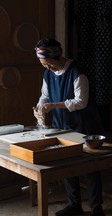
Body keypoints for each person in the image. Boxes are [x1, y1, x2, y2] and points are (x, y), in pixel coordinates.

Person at [33, 38, 105, 216]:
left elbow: (81, 101)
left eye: (49, 64)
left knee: (90, 167)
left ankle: (97, 209)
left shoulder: (77, 72)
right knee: (66, 163)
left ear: (58, 56)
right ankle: (75, 205)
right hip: (62, 124)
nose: (47, 68)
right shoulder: (48, 74)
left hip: (84, 124)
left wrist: (53, 106)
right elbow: (45, 96)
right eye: (44, 65)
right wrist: (40, 107)